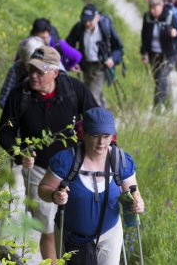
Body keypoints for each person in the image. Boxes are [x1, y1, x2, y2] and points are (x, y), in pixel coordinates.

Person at [0, 46, 99, 264]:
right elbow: (4, 133)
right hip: (39, 170)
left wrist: (98, 146)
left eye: (40, 71)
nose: (33, 76)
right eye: (31, 69)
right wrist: (19, 153)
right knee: (47, 225)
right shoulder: (19, 95)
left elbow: (96, 119)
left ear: (55, 72)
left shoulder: (74, 89)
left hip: (76, 168)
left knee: (78, 221)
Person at [38, 107, 144, 265]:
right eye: (95, 136)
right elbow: (43, 189)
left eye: (107, 136)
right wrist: (54, 195)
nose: (102, 142)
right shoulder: (66, 160)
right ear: (85, 134)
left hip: (110, 235)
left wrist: (138, 204)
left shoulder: (121, 161)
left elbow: (133, 192)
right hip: (73, 238)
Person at [66, 4, 124, 108]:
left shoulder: (105, 28)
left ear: (97, 18)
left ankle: (95, 122)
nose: (87, 23)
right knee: (92, 92)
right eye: (84, 20)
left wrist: (113, 59)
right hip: (86, 66)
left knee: (91, 96)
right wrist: (72, 62)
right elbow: (68, 46)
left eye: (90, 20)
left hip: (101, 66)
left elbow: (118, 47)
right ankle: (107, 115)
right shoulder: (79, 28)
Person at [140, 0, 177, 112]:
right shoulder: (147, 17)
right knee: (158, 79)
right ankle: (169, 104)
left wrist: (174, 33)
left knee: (161, 77)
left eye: (154, 8)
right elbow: (144, 36)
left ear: (161, 5)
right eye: (150, 8)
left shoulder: (169, 15)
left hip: (168, 53)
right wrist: (144, 53)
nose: (152, 11)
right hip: (154, 53)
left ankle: (157, 107)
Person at [0, 36, 45, 108]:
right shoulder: (17, 68)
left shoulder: (51, 68)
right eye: (29, 64)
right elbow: (3, 99)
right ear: (23, 59)